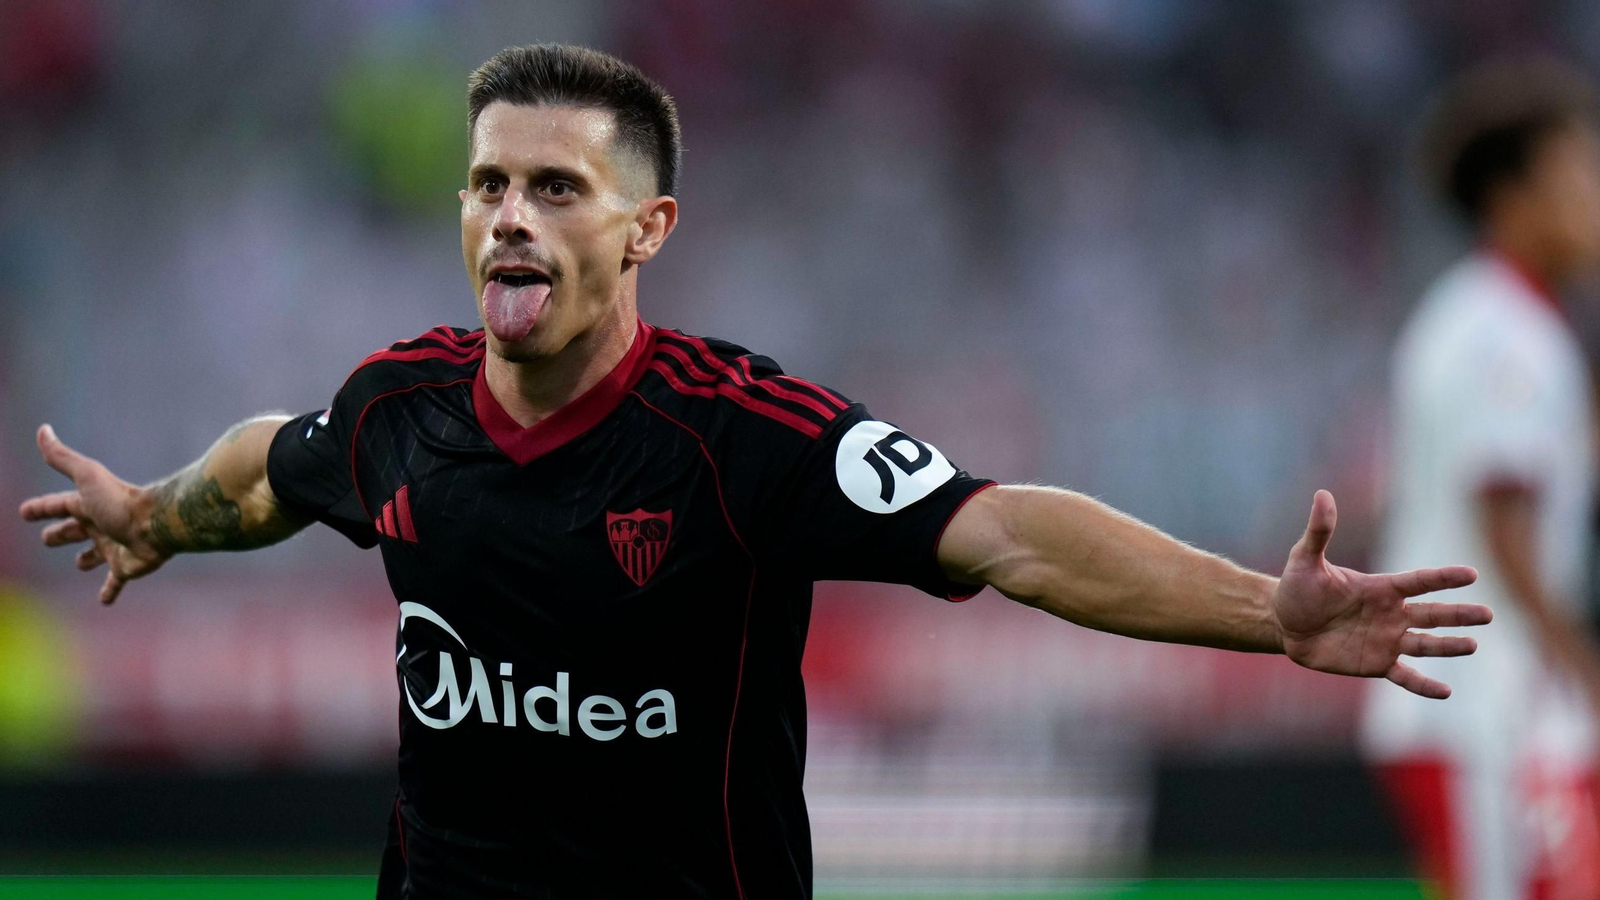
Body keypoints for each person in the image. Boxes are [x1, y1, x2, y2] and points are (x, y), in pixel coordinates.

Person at [20, 44, 1488, 900]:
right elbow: (269, 469)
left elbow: (1006, 533)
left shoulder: (742, 435)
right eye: (488, 185)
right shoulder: (398, 408)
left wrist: (1264, 614)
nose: (509, 218)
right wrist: (154, 516)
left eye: (556, 188)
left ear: (646, 229)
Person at [1361, 59, 1600, 900]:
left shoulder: (1480, 317)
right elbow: (1506, 531)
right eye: (1579, 171)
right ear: (1513, 195)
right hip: (1486, 710)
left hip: (1476, 705)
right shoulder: (1508, 335)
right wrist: (1584, 668)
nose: (1595, 197)